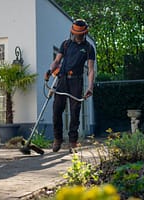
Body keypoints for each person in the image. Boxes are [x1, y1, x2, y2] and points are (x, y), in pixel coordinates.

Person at [45, 19, 95, 153]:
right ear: (72, 32)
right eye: (75, 33)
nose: (77, 36)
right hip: (62, 80)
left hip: (76, 82)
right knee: (56, 110)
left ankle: (73, 142)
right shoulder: (66, 44)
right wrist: (50, 70)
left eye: (80, 34)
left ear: (84, 33)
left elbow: (90, 69)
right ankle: (57, 139)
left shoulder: (89, 48)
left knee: (75, 112)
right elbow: (56, 61)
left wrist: (90, 86)